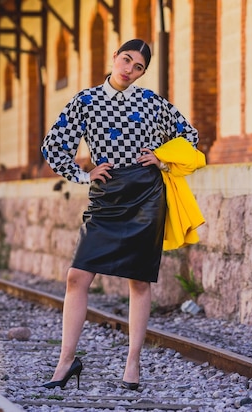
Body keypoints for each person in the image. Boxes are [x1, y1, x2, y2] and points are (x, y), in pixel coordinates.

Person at [40, 39, 199, 391]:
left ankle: (133, 362)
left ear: (143, 72)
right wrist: (84, 174)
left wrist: (162, 158)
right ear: (114, 56)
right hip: (106, 196)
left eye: (138, 66)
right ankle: (65, 362)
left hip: (146, 194)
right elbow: (54, 145)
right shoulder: (86, 100)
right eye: (126, 59)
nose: (129, 69)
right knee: (77, 277)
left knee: (138, 281)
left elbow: (190, 135)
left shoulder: (151, 102)